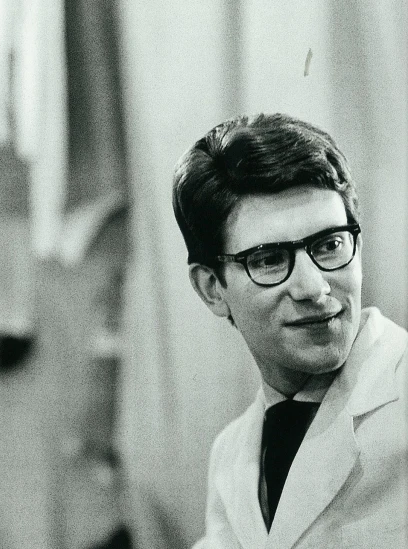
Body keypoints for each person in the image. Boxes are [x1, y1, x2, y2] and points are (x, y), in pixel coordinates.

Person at [172, 113, 407, 548]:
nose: (314, 287)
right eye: (269, 260)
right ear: (211, 288)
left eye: (330, 244)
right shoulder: (231, 456)